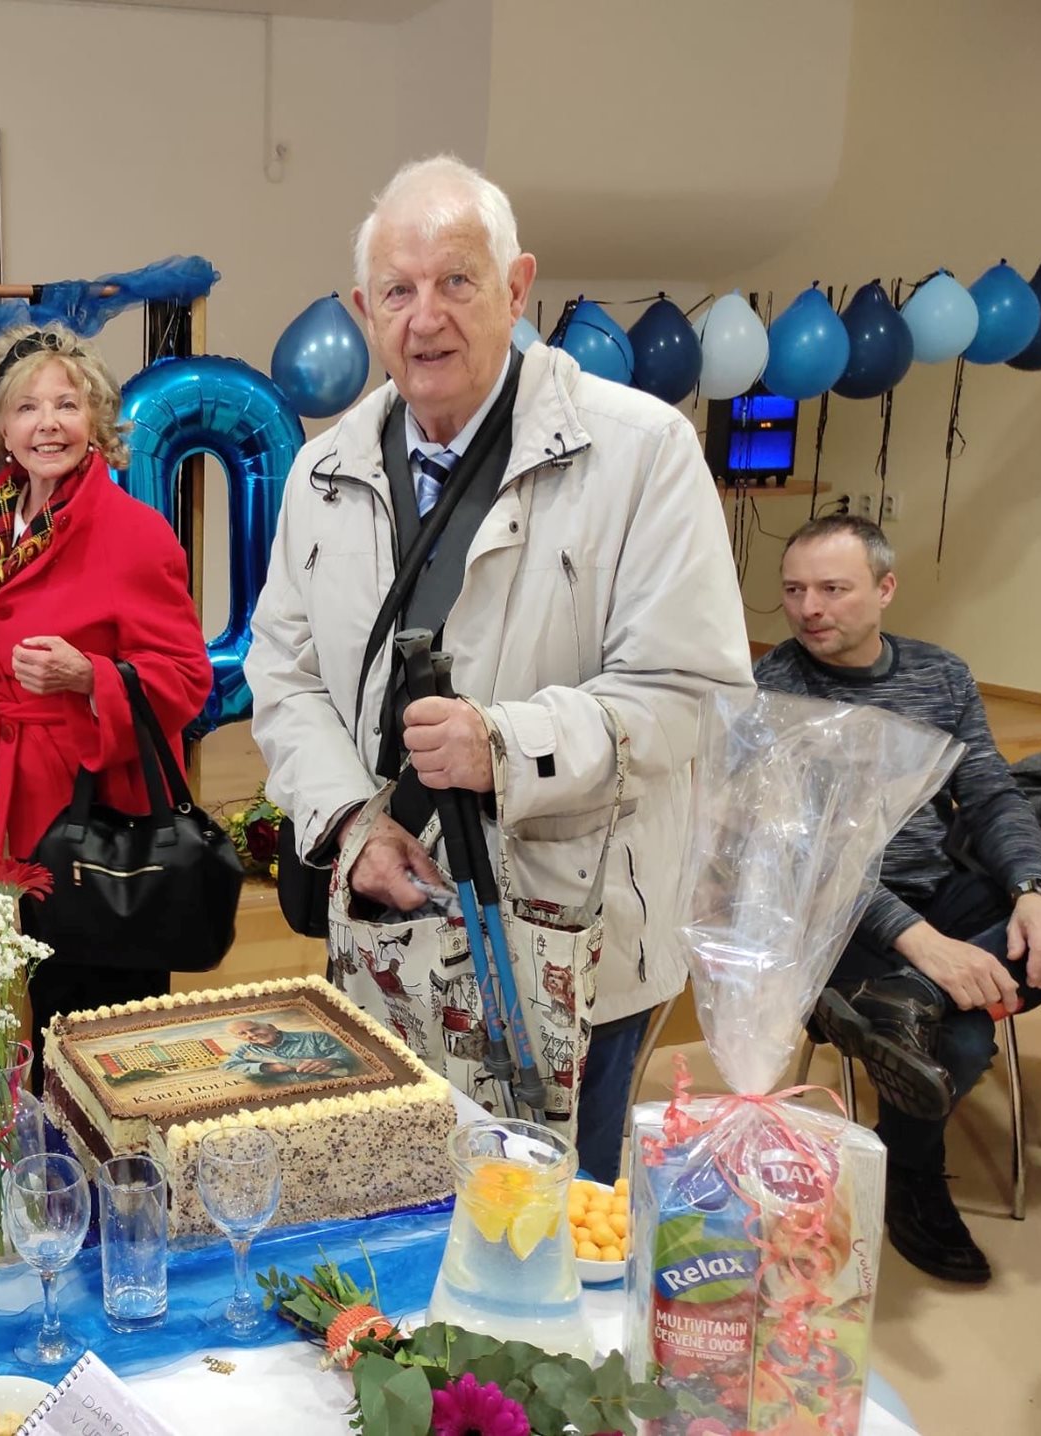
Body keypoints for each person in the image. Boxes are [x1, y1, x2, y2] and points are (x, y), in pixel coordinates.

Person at [244, 155, 751, 1181]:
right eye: (398, 290)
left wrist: (507, 745)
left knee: (552, 1227)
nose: (425, 317)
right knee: (394, 1192)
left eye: (457, 281)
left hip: (570, 945)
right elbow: (283, 673)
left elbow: (689, 694)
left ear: (518, 288)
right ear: (364, 311)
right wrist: (348, 823)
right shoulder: (321, 471)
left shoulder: (643, 452)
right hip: (386, 929)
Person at [0, 324, 213, 1082]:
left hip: (104, 820)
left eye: (67, 404)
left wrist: (89, 677)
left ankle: (114, 1139)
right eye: (27, 407)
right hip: (22, 812)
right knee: (47, 991)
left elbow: (187, 678)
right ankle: (53, 1134)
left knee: (107, 1019)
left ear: (95, 419)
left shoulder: (135, 534)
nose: (49, 424)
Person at [755, 514, 1041, 1283]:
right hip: (834, 912)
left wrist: (1032, 889)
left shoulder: (940, 676)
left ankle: (909, 999)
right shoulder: (773, 689)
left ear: (885, 589)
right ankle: (912, 1177)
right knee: (959, 1042)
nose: (809, 608)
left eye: (833, 588)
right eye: (794, 590)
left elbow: (990, 795)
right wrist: (917, 939)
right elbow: (799, 854)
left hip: (937, 883)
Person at [221, 1019, 359, 1083]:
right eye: (242, 1034)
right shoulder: (244, 1050)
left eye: (254, 1029)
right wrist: (269, 1068)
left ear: (272, 1027)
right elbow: (227, 1068)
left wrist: (333, 1061)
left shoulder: (314, 1037)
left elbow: (349, 1053)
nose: (251, 1035)